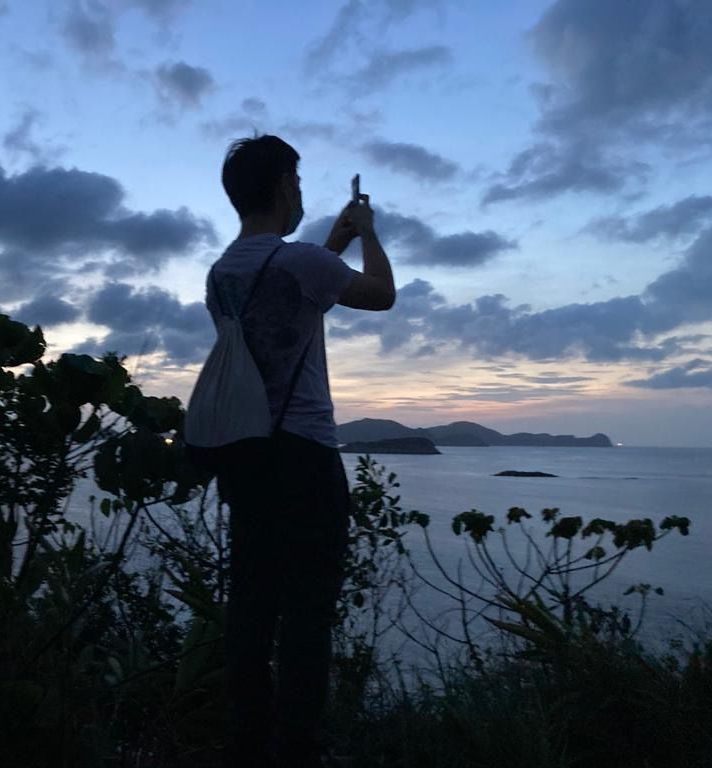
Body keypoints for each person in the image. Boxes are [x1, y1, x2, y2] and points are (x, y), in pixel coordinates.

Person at [207, 134, 396, 768]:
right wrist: (366, 231)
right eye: (299, 181)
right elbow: (379, 293)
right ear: (286, 184)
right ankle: (298, 747)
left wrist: (331, 240)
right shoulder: (297, 264)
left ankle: (245, 741)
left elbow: (296, 288)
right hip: (307, 454)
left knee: (254, 600)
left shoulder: (224, 273)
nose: (302, 192)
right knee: (309, 609)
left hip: (247, 451)